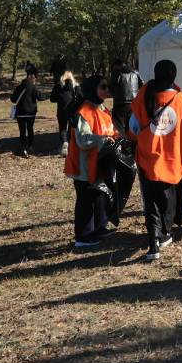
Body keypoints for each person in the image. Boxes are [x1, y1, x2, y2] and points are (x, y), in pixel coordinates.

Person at [130, 59, 182, 262]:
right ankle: (164, 233)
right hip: (171, 157)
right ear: (173, 76)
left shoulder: (144, 95)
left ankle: (154, 244)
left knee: (151, 202)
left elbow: (133, 127)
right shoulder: (181, 99)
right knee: (168, 197)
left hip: (147, 157)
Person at [63, 74, 118, 247]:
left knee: (100, 196)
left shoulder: (102, 109)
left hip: (100, 163)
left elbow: (111, 130)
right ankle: (83, 236)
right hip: (84, 166)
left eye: (108, 87)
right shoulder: (84, 111)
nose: (106, 90)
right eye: (103, 87)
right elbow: (83, 139)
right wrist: (101, 139)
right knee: (86, 200)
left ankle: (99, 228)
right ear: (92, 88)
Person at [9, 65, 44, 158]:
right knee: (30, 129)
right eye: (34, 76)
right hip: (30, 113)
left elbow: (13, 99)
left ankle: (23, 147)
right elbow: (41, 97)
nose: (35, 78)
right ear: (30, 76)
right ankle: (30, 146)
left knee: (22, 131)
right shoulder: (33, 87)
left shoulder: (19, 87)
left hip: (20, 113)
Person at [51, 70, 82, 157]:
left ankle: (65, 142)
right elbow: (82, 98)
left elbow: (52, 99)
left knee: (63, 128)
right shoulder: (76, 86)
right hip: (73, 110)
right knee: (72, 128)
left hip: (61, 111)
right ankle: (71, 146)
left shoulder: (58, 86)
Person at [110, 59, 142, 132]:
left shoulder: (116, 74)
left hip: (120, 105)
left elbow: (112, 89)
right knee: (132, 127)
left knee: (120, 129)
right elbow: (142, 85)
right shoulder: (136, 73)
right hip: (134, 104)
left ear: (117, 66)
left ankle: (124, 139)